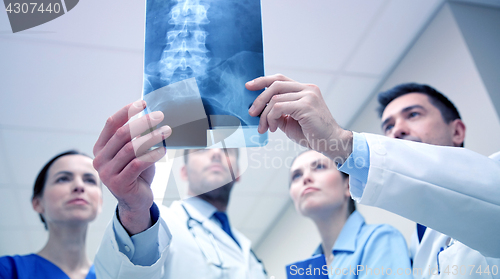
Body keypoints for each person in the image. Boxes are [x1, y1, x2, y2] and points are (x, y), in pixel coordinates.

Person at [246, 74, 500, 278]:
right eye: (388, 126)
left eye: (413, 115)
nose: (397, 130)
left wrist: (340, 142)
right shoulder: (418, 247)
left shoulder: (494, 176)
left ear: (457, 131)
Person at [92, 100, 266, 278]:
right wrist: (134, 210)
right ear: (184, 172)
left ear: (237, 173)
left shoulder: (245, 247)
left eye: (226, 150)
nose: (215, 153)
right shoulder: (160, 224)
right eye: (203, 149)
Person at [286, 150, 411, 278]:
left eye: (319, 167)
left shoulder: (380, 239)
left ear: (348, 185)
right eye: (296, 176)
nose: (305, 178)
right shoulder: (309, 271)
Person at [0, 150, 103, 279]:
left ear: (100, 203)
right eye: (63, 179)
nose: (79, 186)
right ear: (38, 203)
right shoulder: (7, 271)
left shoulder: (110, 275)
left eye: (90, 180)